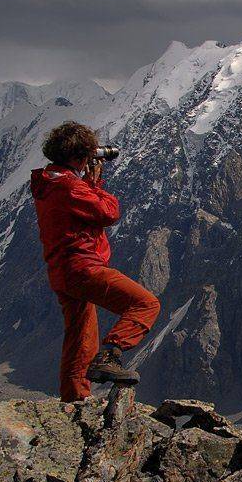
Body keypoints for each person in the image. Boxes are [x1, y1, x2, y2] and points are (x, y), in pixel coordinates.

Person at [29, 121, 160, 402]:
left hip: (61, 271)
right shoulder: (70, 187)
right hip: (83, 268)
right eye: (89, 156)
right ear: (79, 157)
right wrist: (95, 183)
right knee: (145, 304)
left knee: (79, 340)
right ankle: (111, 354)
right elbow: (109, 212)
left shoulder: (47, 181)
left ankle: (73, 401)